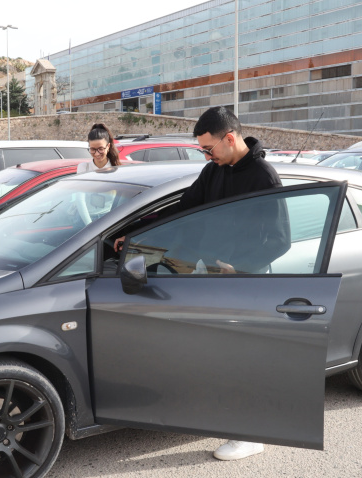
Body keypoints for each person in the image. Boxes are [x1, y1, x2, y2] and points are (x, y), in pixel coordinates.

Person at [114, 106, 285, 459]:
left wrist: (241, 268)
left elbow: (280, 240)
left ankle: (251, 435)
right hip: (210, 278)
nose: (206, 156)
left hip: (244, 282)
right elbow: (182, 210)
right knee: (216, 355)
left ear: (229, 138)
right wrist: (133, 233)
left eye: (208, 149)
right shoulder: (213, 172)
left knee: (239, 359)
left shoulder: (264, 177)